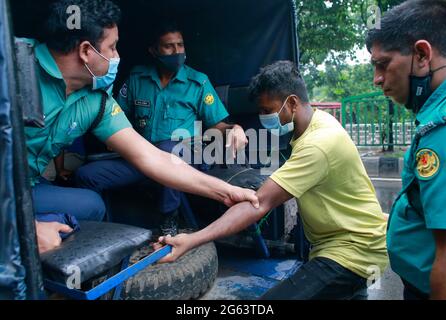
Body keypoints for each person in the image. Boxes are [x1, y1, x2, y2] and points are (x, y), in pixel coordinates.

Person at [28, 0, 258, 254]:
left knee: (93, 205)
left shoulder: (97, 101)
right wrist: (28, 228)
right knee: (85, 178)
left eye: (179, 45)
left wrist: (227, 191)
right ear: (86, 51)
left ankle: (161, 225)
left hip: (179, 154)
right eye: (112, 48)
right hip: (12, 194)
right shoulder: (14, 70)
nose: (117, 57)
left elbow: (153, 158)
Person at [156, 61, 388, 300]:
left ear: (293, 102)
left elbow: (259, 203)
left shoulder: (318, 143)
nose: (263, 117)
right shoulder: (317, 122)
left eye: (268, 110)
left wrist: (192, 240)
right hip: (352, 244)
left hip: (351, 253)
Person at [74, 21, 248, 236]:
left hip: (186, 156)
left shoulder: (198, 82)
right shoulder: (138, 79)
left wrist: (236, 128)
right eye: (169, 46)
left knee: (169, 150)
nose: (177, 52)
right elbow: (116, 117)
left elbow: (219, 125)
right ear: (154, 51)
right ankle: (98, 233)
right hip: (145, 157)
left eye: (180, 45)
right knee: (87, 175)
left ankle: (169, 220)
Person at [366, 0, 446, 300]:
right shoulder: (435, 112)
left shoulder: (442, 128)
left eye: (383, 64)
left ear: (422, 55)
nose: (377, 79)